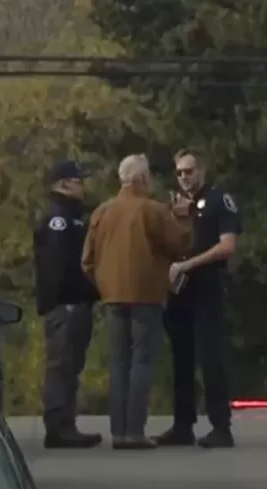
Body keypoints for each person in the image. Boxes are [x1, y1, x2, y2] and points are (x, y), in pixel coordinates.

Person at [81, 154, 191, 450]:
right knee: (142, 360)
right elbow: (180, 243)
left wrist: (104, 283)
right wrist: (182, 217)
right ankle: (134, 431)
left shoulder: (102, 212)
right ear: (142, 179)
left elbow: (87, 260)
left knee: (118, 362)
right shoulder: (151, 210)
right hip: (147, 294)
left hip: (112, 296)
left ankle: (118, 430)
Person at [156, 148, 242, 448]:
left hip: (207, 286)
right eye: (179, 173)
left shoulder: (219, 202)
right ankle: (183, 423)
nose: (184, 178)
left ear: (202, 171)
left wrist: (188, 265)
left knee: (210, 357)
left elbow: (227, 246)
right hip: (179, 290)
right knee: (181, 357)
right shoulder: (174, 206)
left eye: (189, 171)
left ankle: (221, 425)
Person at [33, 160, 102, 448]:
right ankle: (58, 425)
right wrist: (73, 295)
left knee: (70, 365)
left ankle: (67, 422)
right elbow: (60, 265)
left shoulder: (70, 215)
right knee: (61, 364)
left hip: (74, 302)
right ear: (63, 183)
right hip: (66, 304)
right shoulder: (58, 218)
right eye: (77, 180)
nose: (82, 185)